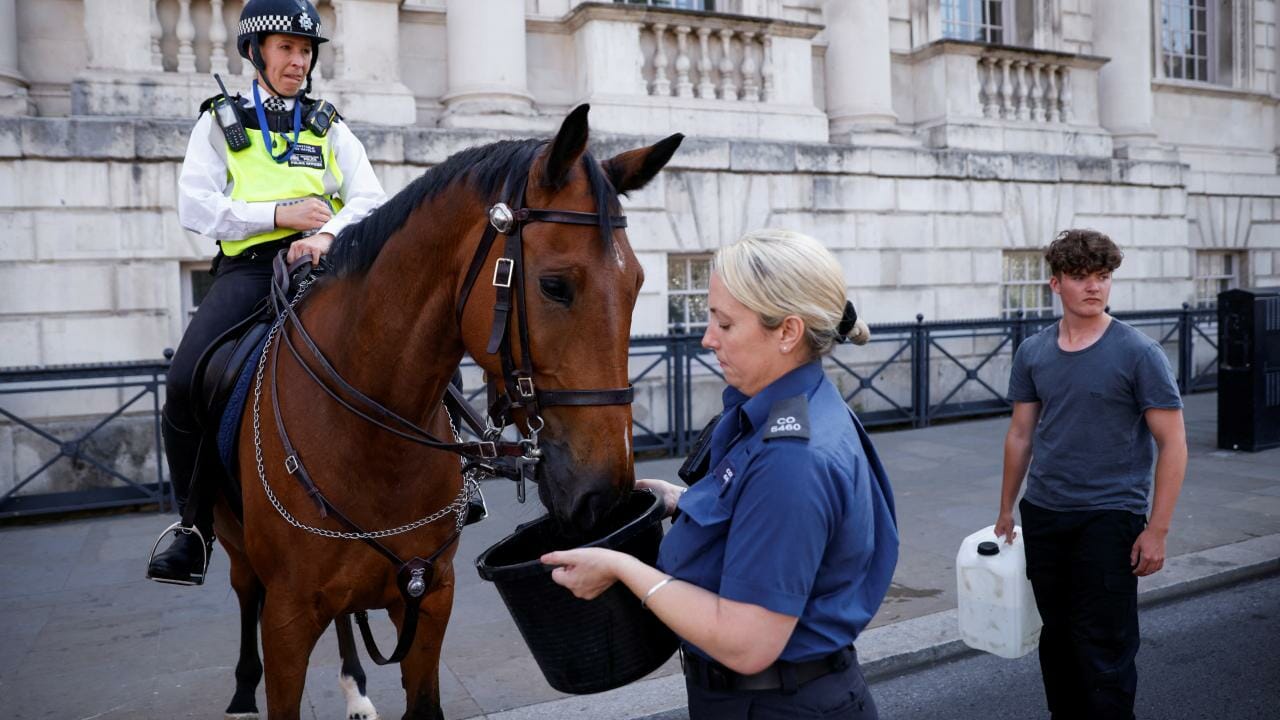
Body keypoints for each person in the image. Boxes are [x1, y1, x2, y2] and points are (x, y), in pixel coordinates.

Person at [543, 229, 899, 719]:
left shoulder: (792, 459)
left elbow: (746, 644)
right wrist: (678, 499)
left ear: (788, 332)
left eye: (725, 323)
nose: (708, 338)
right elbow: (756, 510)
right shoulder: (792, 408)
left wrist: (622, 569)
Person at [146, 0, 386, 585]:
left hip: (325, 265)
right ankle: (194, 527)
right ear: (255, 52)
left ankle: (459, 475)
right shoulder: (220, 121)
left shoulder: (329, 123)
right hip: (251, 271)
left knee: (408, 334)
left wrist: (327, 233)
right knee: (184, 381)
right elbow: (196, 206)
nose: (298, 61)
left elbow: (370, 197)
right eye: (286, 48)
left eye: (305, 50)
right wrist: (276, 213)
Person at [994, 229, 1188, 719]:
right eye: (1081, 278)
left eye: (1102, 277)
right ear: (1056, 284)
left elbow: (1174, 443)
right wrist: (1005, 511)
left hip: (1110, 516)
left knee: (1104, 648)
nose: (1094, 287)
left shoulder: (1138, 353)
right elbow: (1021, 435)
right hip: (1044, 513)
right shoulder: (1033, 351)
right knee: (1057, 641)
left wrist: (1157, 530)